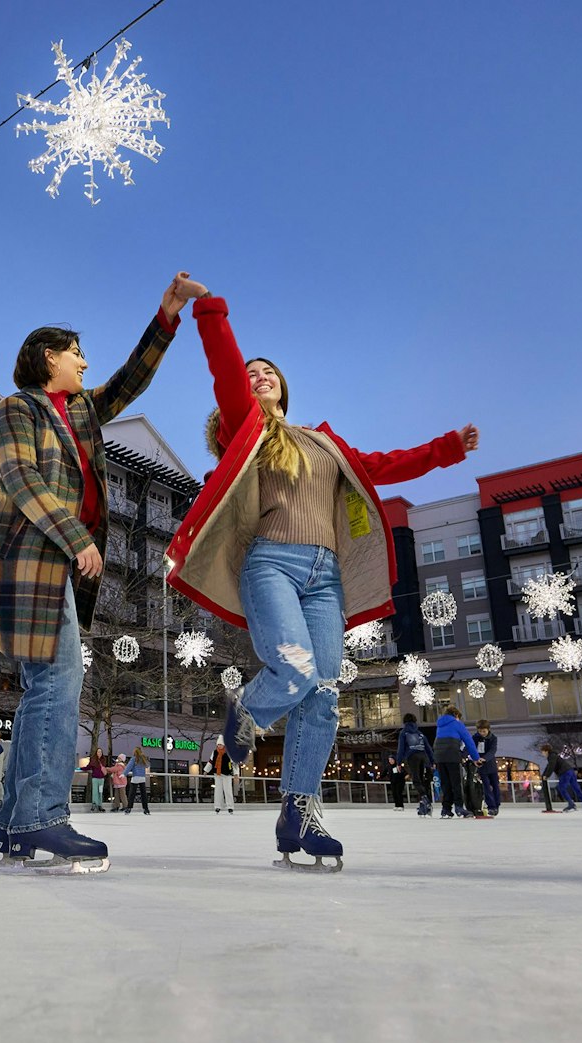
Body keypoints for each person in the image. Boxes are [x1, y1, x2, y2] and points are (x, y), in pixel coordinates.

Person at [165, 290, 477, 870]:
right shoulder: (248, 431)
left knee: (325, 695)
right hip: (271, 563)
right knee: (295, 667)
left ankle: (299, 814)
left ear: (284, 387)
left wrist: (447, 449)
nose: (258, 376)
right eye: (252, 373)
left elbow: (384, 465)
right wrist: (210, 310)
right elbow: (226, 372)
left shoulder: (325, 443)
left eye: (268, 372)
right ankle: (248, 709)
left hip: (325, 578)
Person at [0, 272, 206, 873]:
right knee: (58, 681)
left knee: (44, 688)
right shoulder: (15, 409)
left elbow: (131, 380)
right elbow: (20, 478)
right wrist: (77, 537)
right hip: (28, 559)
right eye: (76, 352)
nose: (84, 362)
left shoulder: (79, 411)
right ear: (48, 358)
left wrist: (167, 315)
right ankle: (42, 816)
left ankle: (17, 825)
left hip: (58, 566)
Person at [433, 707, 481, 819]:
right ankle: (459, 807)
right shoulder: (457, 724)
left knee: (445, 784)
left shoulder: (440, 725)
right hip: (452, 755)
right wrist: (476, 758)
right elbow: (468, 741)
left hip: (439, 757)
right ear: (456, 715)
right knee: (456, 783)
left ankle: (446, 809)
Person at [396, 714, 434, 816]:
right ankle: (423, 806)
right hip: (423, 756)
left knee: (416, 780)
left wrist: (398, 762)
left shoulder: (404, 732)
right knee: (421, 780)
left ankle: (425, 798)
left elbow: (401, 748)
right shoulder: (419, 733)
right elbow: (428, 747)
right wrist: (432, 761)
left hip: (412, 757)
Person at [539, 743, 582, 812]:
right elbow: (548, 766)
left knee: (561, 788)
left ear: (546, 751)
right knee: (576, 788)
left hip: (564, 772)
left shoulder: (552, 756)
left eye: (542, 751)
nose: (542, 753)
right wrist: (544, 775)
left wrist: (547, 775)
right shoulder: (554, 756)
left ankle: (571, 805)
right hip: (570, 771)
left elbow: (551, 766)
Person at [473, 718, 501, 817]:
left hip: (491, 765)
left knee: (495, 786)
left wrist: (484, 758)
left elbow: (492, 751)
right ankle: (491, 806)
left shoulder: (493, 738)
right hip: (481, 766)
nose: (482, 733)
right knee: (486, 787)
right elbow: (471, 748)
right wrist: (474, 759)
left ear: (488, 730)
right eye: (480, 731)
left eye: (484, 731)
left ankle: (496, 804)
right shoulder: (475, 738)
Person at [211, 736, 236, 813]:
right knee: (218, 791)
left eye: (220, 744)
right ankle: (218, 806)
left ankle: (230, 806)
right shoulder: (214, 752)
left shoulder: (229, 753)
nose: (219, 746)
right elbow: (211, 762)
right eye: (218, 744)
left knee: (228, 790)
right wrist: (206, 770)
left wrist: (236, 773)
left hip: (227, 774)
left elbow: (234, 763)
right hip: (217, 774)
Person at [124, 747, 151, 815]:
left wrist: (124, 774)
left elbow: (129, 767)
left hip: (135, 777)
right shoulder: (143, 758)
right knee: (143, 794)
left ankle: (129, 808)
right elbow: (147, 765)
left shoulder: (134, 759)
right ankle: (146, 809)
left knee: (132, 794)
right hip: (142, 778)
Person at [87, 748, 108, 812]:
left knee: (100, 792)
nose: (99, 753)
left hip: (101, 779)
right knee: (95, 792)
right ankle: (94, 804)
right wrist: (81, 768)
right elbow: (88, 766)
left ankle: (100, 805)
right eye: (98, 752)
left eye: (101, 752)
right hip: (95, 778)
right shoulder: (93, 760)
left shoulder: (104, 760)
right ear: (96, 753)